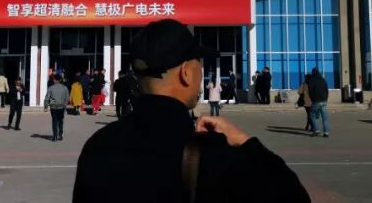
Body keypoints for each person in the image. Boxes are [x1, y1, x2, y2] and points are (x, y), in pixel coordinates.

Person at [71, 20, 310, 203]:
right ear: (186, 73)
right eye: (199, 66)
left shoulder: (98, 145)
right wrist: (246, 142)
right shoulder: (215, 153)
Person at [44, 74, 69, 141]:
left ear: (55, 80)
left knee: (54, 121)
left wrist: (46, 106)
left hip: (53, 107)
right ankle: (60, 135)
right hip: (61, 107)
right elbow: (67, 98)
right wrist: (65, 105)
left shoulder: (51, 88)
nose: (53, 80)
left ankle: (55, 136)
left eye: (54, 79)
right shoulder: (65, 88)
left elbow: (47, 97)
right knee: (60, 121)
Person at [307, 67, 330, 138]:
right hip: (324, 101)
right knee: (325, 118)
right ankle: (326, 133)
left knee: (312, 115)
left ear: (313, 72)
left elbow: (310, 91)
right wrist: (325, 99)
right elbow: (327, 90)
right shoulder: (323, 80)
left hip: (316, 101)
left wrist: (312, 99)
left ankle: (316, 130)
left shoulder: (311, 80)